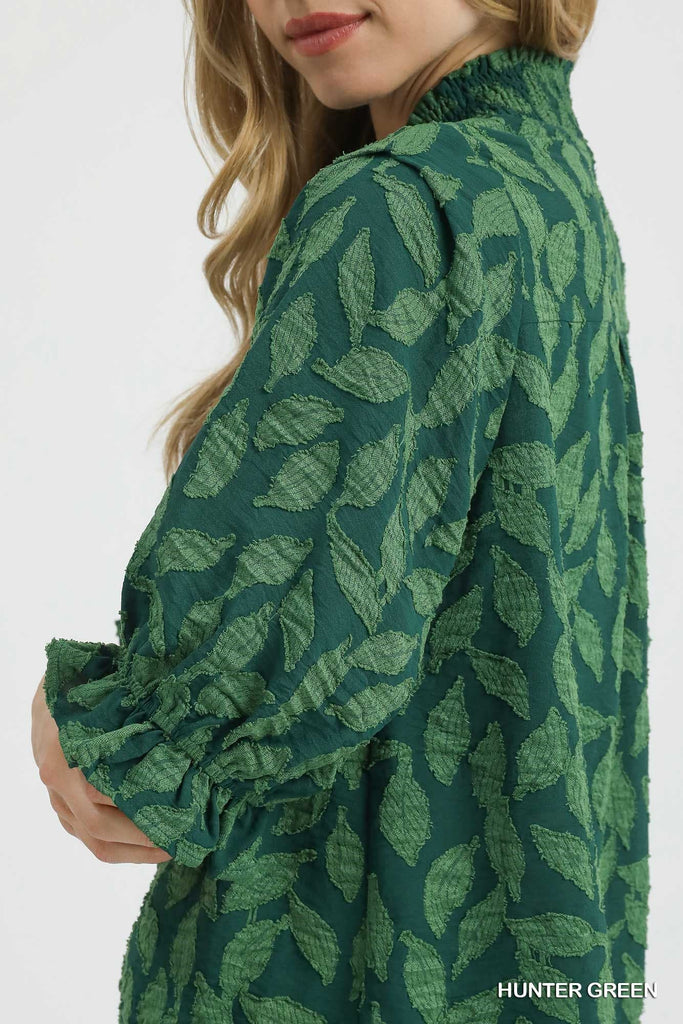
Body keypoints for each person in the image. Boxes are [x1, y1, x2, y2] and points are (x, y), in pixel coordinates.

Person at [31, 0, 651, 1021]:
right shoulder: (545, 187)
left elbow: (158, 755)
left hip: (348, 968)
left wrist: (78, 724)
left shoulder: (398, 204)